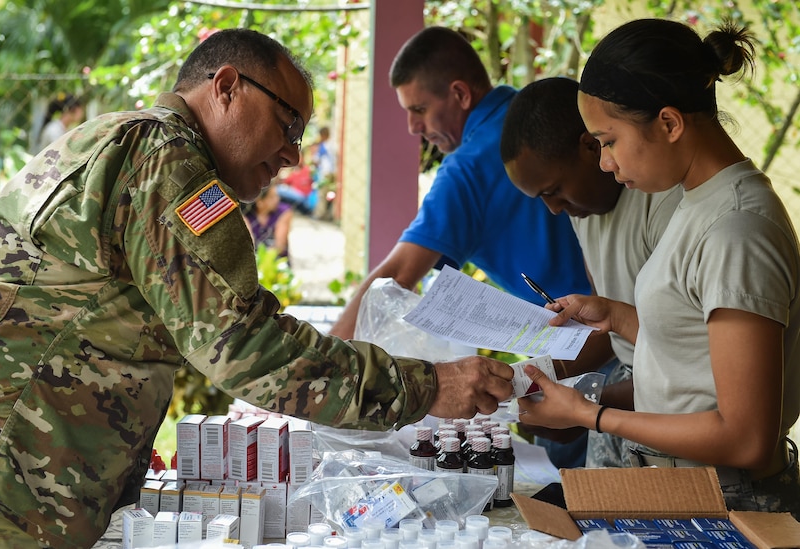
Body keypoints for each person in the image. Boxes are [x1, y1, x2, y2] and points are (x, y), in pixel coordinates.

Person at [0, 29, 514, 548]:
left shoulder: (129, 141)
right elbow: (243, 345)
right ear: (227, 86)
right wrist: (423, 386)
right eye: (288, 124)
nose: (293, 155)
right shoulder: (164, 161)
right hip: (6, 477)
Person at [516, 19, 800, 518]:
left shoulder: (737, 228)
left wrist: (591, 415)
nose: (604, 163)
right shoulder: (697, 202)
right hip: (686, 484)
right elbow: (697, 349)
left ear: (669, 124)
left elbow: (746, 437)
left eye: (608, 141)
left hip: (727, 499)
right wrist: (616, 316)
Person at [329, 26, 592, 470]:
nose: (414, 127)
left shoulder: (468, 168)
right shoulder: (522, 115)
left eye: (420, 110)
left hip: (581, 364)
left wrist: (325, 365)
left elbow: (396, 277)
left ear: (459, 94)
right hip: (619, 337)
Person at [500, 76, 681, 467]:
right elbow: (613, 330)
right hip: (628, 403)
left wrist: (584, 407)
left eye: (554, 190)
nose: (553, 209)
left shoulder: (666, 205)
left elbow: (691, 364)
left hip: (674, 420)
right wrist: (539, 377)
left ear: (590, 146)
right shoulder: (585, 209)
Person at [243, 184, 294, 260]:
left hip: (276, 260)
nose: (277, 199)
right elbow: (249, 245)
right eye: (272, 197)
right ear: (259, 201)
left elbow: (279, 246)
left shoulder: (283, 211)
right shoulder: (247, 215)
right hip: (254, 259)